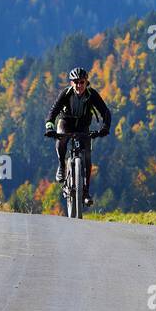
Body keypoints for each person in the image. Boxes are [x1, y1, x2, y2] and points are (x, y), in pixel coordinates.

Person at [44, 67, 112, 206]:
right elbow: (53, 111)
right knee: (61, 137)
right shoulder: (66, 94)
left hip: (83, 126)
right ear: (71, 83)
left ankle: (85, 192)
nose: (79, 85)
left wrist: (105, 128)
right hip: (66, 122)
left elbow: (105, 112)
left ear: (86, 82)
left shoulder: (92, 94)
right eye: (75, 82)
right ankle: (62, 165)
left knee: (87, 157)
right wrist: (50, 126)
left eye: (82, 82)